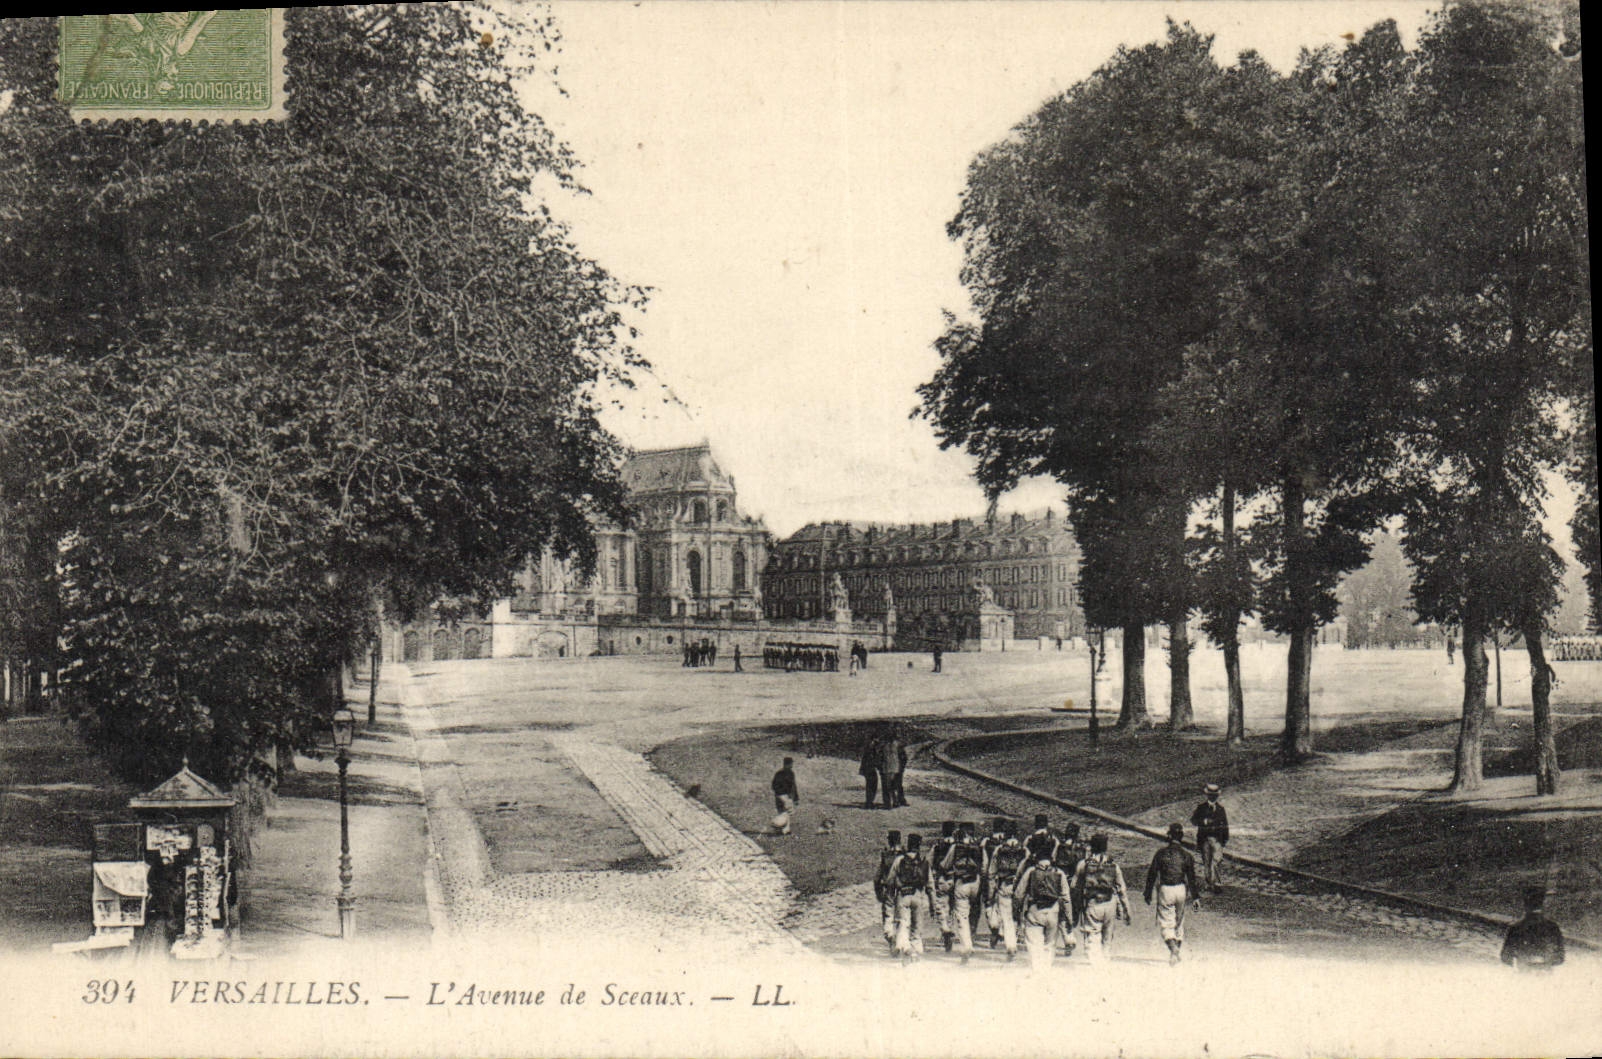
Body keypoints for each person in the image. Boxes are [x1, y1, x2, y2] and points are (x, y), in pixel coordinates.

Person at [1144, 823, 1202, 965]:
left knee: (1166, 923)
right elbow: (1192, 878)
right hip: (1181, 889)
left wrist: (1148, 892)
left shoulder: (1161, 854)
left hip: (1166, 889)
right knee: (1179, 922)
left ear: (1169, 836)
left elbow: (1152, 873)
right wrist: (1196, 897)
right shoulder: (1187, 855)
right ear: (1181, 838)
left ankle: (1173, 949)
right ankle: (1175, 954)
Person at [1073, 833, 1130, 963]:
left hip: (1092, 903)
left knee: (1092, 935)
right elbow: (1122, 890)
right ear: (1105, 847)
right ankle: (1105, 959)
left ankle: (1095, 965)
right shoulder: (1113, 866)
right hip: (1110, 902)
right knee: (1107, 937)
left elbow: (1074, 887)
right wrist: (1126, 910)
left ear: (1092, 847)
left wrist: (1076, 909)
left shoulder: (1083, 864)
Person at [1013, 847, 1072, 972]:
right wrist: (1068, 918)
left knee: (1035, 944)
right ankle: (1047, 970)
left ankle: (1037, 970)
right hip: (1053, 911)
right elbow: (1066, 898)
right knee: (1050, 945)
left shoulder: (1031, 871)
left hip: (1035, 910)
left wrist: (1016, 912)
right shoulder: (1059, 872)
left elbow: (1019, 894)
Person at [944, 822, 987, 963]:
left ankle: (966, 945)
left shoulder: (956, 847)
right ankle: (972, 936)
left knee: (962, 916)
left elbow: (945, 864)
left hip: (961, 882)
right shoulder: (980, 846)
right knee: (974, 911)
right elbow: (985, 866)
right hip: (976, 881)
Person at [985, 822, 1028, 959]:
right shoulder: (1024, 850)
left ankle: (1011, 945)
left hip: (1005, 886)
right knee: (1019, 914)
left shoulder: (999, 849)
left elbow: (991, 873)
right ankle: (1020, 937)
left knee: (1007, 917)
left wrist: (991, 893)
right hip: (1021, 886)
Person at [887, 833, 931, 959]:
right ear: (919, 846)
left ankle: (905, 948)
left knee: (903, 922)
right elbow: (930, 884)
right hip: (918, 895)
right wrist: (932, 902)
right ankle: (916, 950)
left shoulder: (899, 860)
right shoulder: (923, 861)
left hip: (903, 895)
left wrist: (891, 895)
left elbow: (890, 879)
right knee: (917, 925)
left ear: (908, 844)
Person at [1501, 887, 1565, 972]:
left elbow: (1505, 957)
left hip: (1524, 973)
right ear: (1542, 905)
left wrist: (1518, 961)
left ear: (1525, 905)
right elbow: (1560, 958)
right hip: (1545, 974)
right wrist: (1546, 962)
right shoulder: (1553, 927)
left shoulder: (1515, 928)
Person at [1190, 784, 1230, 892]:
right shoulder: (1201, 808)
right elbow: (1193, 820)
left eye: (1215, 795)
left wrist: (1224, 840)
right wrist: (1203, 821)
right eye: (1211, 795)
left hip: (1217, 839)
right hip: (1205, 839)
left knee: (1217, 860)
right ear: (1207, 795)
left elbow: (1225, 825)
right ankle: (1209, 883)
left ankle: (1216, 882)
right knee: (1206, 861)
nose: (1213, 797)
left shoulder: (1221, 809)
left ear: (1217, 796)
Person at [928, 822, 959, 951]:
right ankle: (951, 928)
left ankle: (945, 928)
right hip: (956, 879)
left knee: (941, 905)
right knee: (953, 906)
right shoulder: (958, 846)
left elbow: (928, 863)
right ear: (953, 832)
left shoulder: (937, 846)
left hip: (941, 878)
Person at [873, 831, 903, 949]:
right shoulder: (904, 854)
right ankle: (900, 939)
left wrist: (878, 892)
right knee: (902, 916)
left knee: (888, 915)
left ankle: (890, 936)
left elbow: (877, 877)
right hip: (902, 889)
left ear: (889, 841)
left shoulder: (886, 856)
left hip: (889, 889)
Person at [770, 757, 799, 835]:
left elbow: (793, 786)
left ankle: (786, 829)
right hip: (781, 795)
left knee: (786, 812)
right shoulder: (779, 774)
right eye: (789, 764)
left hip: (788, 796)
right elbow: (774, 785)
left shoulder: (791, 773)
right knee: (783, 812)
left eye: (791, 764)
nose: (791, 765)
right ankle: (781, 829)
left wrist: (796, 797)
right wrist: (781, 795)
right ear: (785, 764)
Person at [859, 732, 881, 809]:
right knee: (872, 785)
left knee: (870, 785)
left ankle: (869, 802)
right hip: (869, 769)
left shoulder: (870, 746)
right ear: (874, 739)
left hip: (868, 769)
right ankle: (869, 803)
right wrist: (878, 765)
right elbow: (871, 759)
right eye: (877, 739)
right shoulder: (871, 747)